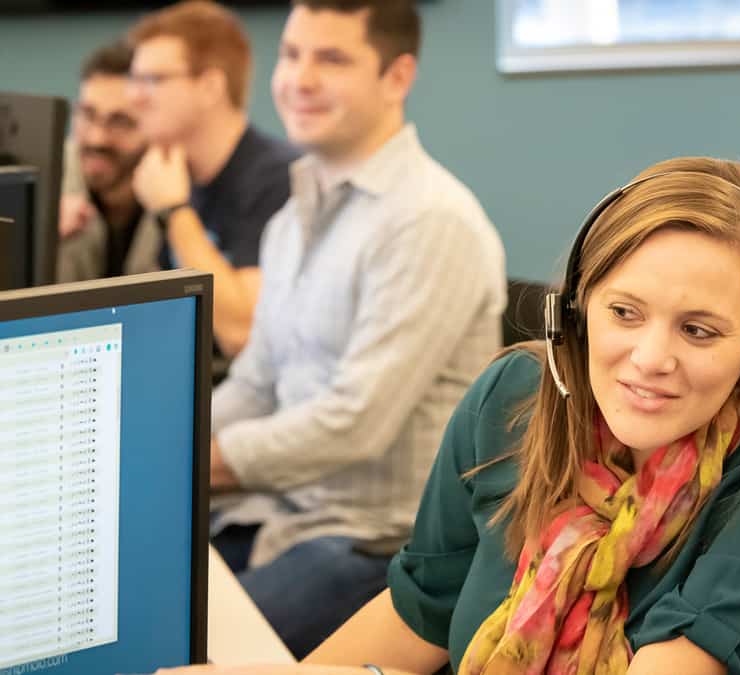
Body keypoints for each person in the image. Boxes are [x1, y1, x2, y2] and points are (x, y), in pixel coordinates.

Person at [162, 156, 740, 675]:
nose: (650, 358)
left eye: (699, 329)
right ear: (577, 310)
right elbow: (419, 612)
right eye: (625, 312)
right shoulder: (512, 402)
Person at [205, 0, 506, 659]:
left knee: (189, 645)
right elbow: (256, 380)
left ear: (397, 77)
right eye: (291, 54)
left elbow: (355, 421)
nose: (299, 79)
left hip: (378, 547)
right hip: (281, 515)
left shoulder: (429, 221)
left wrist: (197, 461)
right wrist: (167, 445)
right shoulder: (293, 219)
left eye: (331, 58)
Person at [127, 0, 299, 357]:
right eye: (135, 79)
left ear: (210, 87)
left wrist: (174, 212)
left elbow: (242, 333)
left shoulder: (279, 180)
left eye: (152, 80)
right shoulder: (175, 171)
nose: (134, 97)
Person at [57, 41, 158, 283]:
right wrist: (37, 240)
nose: (97, 138)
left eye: (120, 121)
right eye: (88, 115)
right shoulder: (44, 185)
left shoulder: (185, 197)